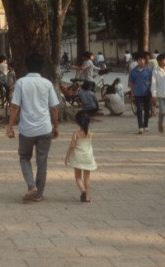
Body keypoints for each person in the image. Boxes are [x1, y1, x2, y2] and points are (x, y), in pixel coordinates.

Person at [6, 52, 60, 203]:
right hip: (44, 128)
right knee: (42, 162)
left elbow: (15, 106)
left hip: (27, 130)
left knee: (24, 157)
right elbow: (54, 108)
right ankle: (38, 195)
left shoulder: (21, 83)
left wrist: (9, 127)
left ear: (26, 66)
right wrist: (56, 126)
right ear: (42, 67)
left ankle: (31, 186)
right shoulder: (47, 83)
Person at [64, 112, 97, 202]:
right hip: (88, 157)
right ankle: (87, 197)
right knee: (87, 178)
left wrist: (67, 157)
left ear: (77, 122)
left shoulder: (76, 134)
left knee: (78, 177)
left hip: (78, 157)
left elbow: (72, 146)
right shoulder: (91, 134)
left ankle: (83, 191)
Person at [128, 54, 152, 134]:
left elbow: (152, 82)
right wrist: (131, 93)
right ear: (137, 61)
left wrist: (152, 92)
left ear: (145, 61)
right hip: (137, 93)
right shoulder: (133, 71)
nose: (141, 61)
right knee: (139, 110)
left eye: (143, 60)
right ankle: (140, 127)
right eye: (139, 60)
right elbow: (131, 83)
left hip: (147, 93)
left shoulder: (148, 70)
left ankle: (146, 125)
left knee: (146, 110)